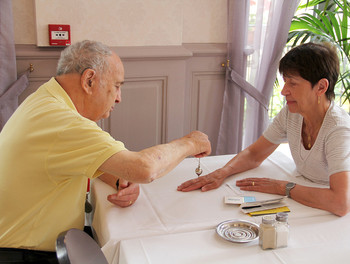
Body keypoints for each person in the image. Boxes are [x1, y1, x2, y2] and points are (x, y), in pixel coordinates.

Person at [0, 40, 211, 263]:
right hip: (24, 255)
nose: (119, 97)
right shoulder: (63, 122)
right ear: (89, 80)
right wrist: (191, 143)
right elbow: (145, 168)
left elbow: (58, 161)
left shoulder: (45, 100)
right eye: (117, 85)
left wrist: (118, 178)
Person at [178, 42, 350, 217]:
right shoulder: (292, 114)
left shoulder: (338, 130)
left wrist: (281, 187)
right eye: (285, 82)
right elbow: (254, 154)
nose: (284, 91)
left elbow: (340, 203)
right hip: (306, 192)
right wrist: (222, 173)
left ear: (321, 87)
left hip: (330, 211)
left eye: (293, 83)